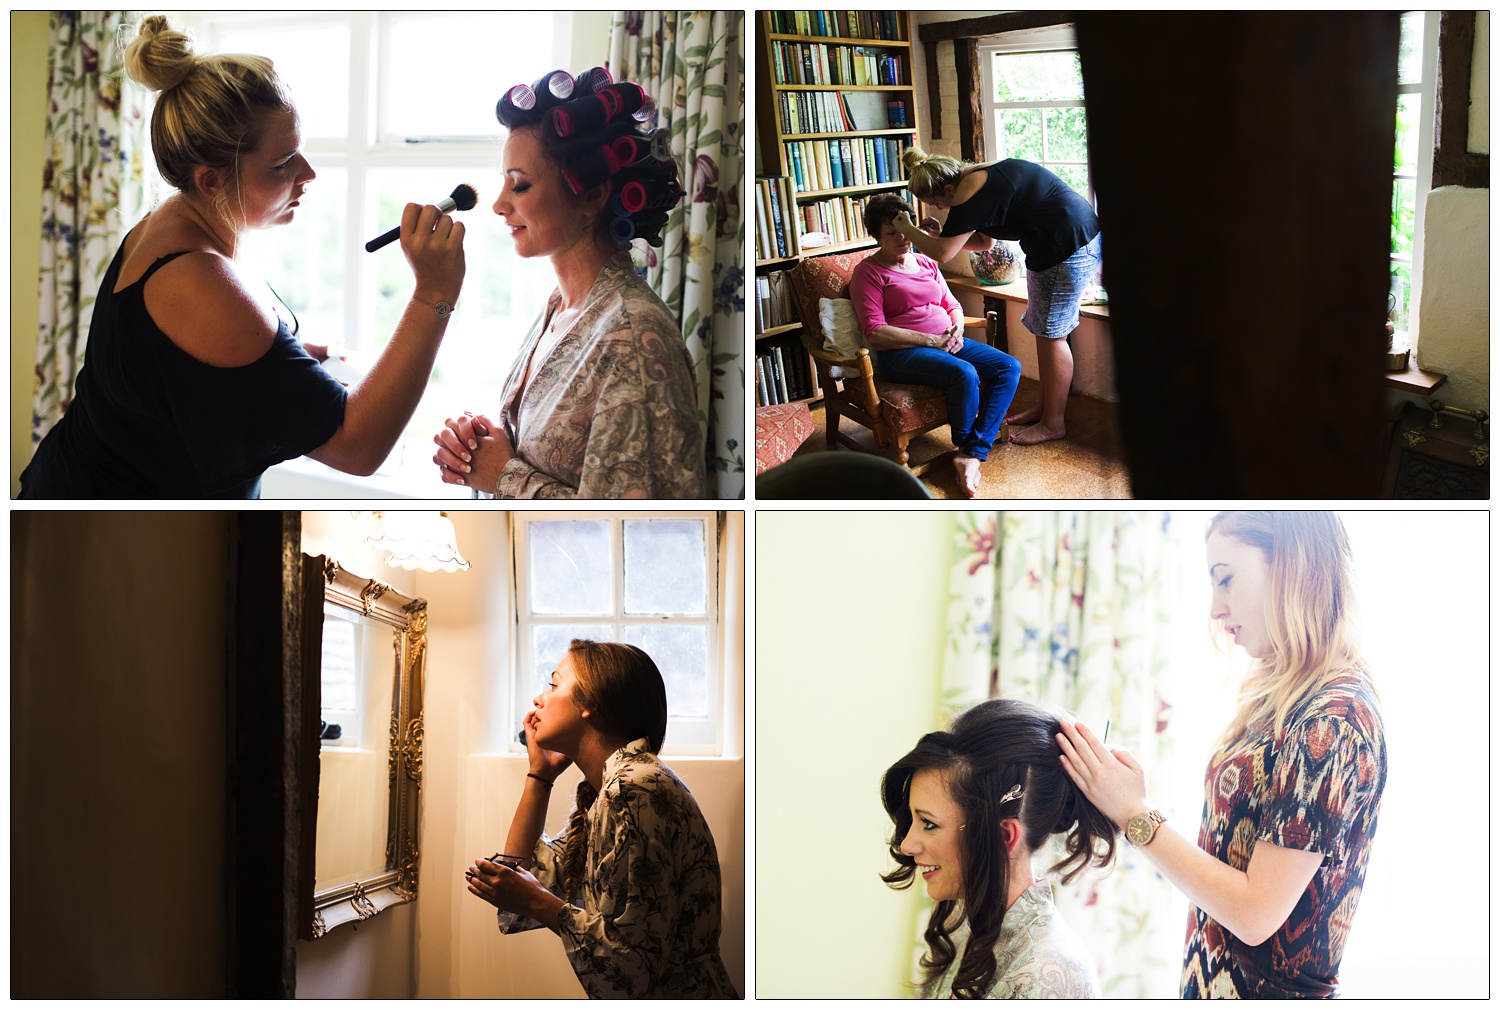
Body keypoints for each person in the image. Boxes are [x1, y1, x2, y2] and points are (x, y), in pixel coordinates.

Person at [19, 15, 466, 498]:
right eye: (282, 163)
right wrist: (433, 294)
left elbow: (180, 373)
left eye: (301, 151)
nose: (308, 173)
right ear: (210, 180)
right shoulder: (198, 279)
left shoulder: (170, 222)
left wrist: (276, 362)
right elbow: (357, 448)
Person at [1057, 511, 1387, 999]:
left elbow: (1256, 915)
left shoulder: (1331, 721)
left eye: (1226, 579)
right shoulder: (1282, 694)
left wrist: (1134, 814)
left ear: (1292, 565)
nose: (1216, 608)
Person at [431, 68, 706, 498]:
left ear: (592, 196)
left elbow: (634, 529)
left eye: (519, 185)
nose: (500, 205)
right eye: (504, 183)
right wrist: (480, 444)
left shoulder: (633, 337)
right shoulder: (560, 307)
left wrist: (502, 475)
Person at [465, 640, 737, 999]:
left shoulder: (634, 792)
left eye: (554, 684)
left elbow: (631, 964)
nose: (539, 699)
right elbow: (524, 880)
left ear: (591, 703)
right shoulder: (612, 791)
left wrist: (536, 902)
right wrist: (540, 776)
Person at [881, 698, 1117, 999]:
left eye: (929, 824)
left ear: (1004, 835)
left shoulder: (1048, 974)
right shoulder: (965, 932)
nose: (907, 844)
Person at [892, 149, 1101, 447]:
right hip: (1057, 245)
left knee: (1052, 335)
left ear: (949, 189)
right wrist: (943, 235)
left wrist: (909, 230)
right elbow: (984, 242)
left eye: (937, 202)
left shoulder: (970, 191)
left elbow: (942, 254)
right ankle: (1046, 407)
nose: (939, 208)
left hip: (1069, 245)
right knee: (1045, 333)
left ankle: (1053, 424)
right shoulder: (975, 180)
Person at [848, 194, 1021, 498]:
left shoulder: (927, 262)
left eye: (906, 228)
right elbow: (875, 331)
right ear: (877, 236)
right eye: (891, 233)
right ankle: (969, 447)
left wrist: (957, 326)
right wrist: (933, 340)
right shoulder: (869, 273)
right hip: (903, 353)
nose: (903, 238)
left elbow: (951, 303)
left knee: (1008, 367)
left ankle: (971, 453)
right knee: (964, 373)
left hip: (947, 340)